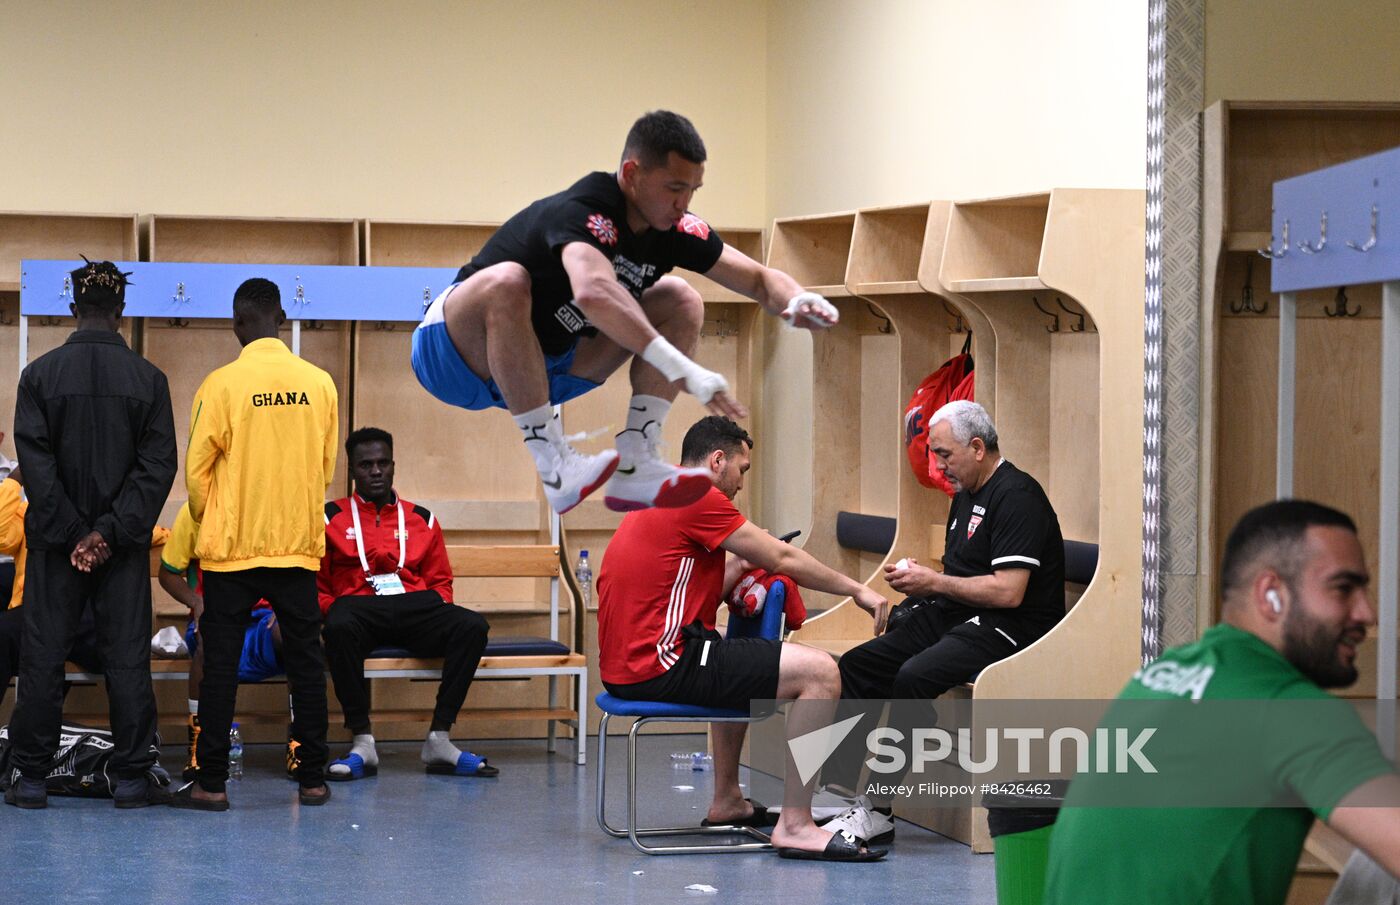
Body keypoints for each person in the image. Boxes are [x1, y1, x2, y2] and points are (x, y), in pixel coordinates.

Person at [411, 110, 840, 516]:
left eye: (693, 190)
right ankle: (554, 461)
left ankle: (638, 458)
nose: (683, 203)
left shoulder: (676, 229)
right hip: (452, 354)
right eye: (674, 188)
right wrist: (683, 368)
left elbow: (760, 280)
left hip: (542, 372)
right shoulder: (587, 209)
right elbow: (594, 292)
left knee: (681, 299)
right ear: (632, 175)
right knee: (507, 281)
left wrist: (797, 299)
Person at [1045, 500, 1400, 904]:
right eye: (1343, 589)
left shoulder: (1166, 674)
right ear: (1272, 595)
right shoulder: (1289, 710)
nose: (1367, 613)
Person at [597, 416, 890, 861]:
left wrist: (737, 566)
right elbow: (782, 555)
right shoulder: (698, 495)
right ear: (717, 461)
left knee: (730, 658)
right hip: (662, 664)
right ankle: (796, 825)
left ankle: (728, 801)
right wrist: (857, 590)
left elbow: (682, 592)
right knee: (821, 673)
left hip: (629, 666)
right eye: (741, 470)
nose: (739, 483)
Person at [5, 258, 178, 810]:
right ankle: (130, 779)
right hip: (121, 552)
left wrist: (75, 533)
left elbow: (35, 465)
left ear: (72, 308)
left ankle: (31, 779)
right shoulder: (150, 381)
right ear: (121, 311)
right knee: (127, 660)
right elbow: (156, 468)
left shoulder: (38, 376)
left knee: (41, 660)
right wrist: (108, 533)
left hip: (57, 550)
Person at [172, 277, 338, 812]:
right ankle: (313, 779)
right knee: (308, 666)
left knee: (220, 670)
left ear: (237, 323)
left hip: (231, 553)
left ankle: (212, 785)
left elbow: (197, 472)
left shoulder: (220, 385)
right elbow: (326, 466)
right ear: (282, 318)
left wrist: (209, 519)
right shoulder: (321, 383)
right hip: (296, 548)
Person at [319, 427, 494, 780]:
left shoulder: (422, 518)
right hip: (358, 613)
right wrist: (331, 608)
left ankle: (439, 738)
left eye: (383, 462)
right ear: (352, 470)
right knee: (337, 623)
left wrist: (428, 605)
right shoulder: (329, 518)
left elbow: (442, 583)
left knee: (472, 627)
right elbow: (318, 586)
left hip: (413, 609)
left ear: (394, 466)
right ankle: (363, 742)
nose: (376, 471)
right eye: (366, 464)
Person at [158, 502, 289, 782]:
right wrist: (196, 600)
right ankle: (198, 739)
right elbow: (167, 573)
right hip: (215, 614)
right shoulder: (196, 510)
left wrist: (284, 603)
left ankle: (299, 742)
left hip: (262, 618)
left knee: (294, 634)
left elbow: (295, 571)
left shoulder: (271, 503)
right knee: (210, 639)